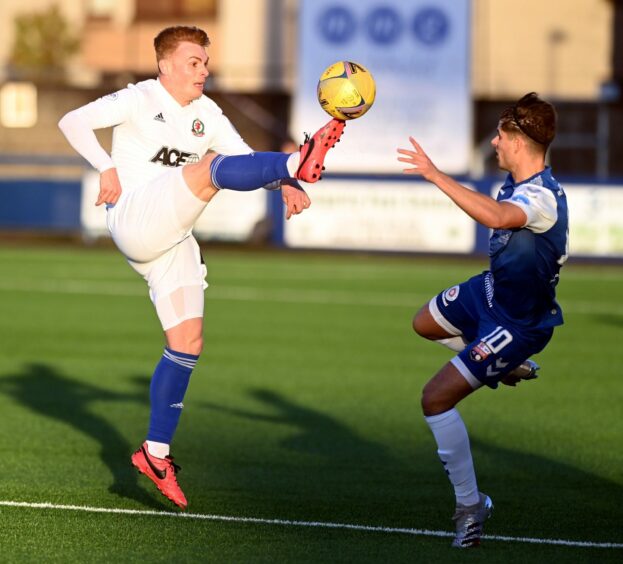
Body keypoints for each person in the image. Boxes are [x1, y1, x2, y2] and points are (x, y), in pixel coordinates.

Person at [58, 25, 345, 510]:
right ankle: (298, 157)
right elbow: (70, 121)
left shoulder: (208, 113)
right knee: (206, 169)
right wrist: (104, 166)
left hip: (173, 238)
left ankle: (155, 452)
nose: (203, 70)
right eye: (194, 62)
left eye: (205, 62)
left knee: (187, 343)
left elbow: (244, 160)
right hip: (135, 218)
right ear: (165, 65)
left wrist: (285, 184)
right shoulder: (137, 97)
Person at [397, 93, 568, 548]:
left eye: (500, 135)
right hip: (488, 292)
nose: (494, 142)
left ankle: (471, 506)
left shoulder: (540, 197)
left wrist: (434, 174)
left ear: (520, 140)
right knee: (423, 323)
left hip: (517, 324)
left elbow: (495, 217)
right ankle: (502, 367)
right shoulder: (517, 181)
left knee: (434, 399)